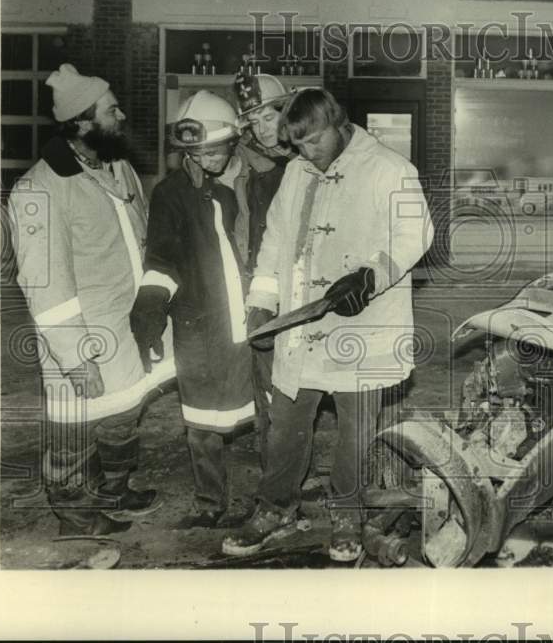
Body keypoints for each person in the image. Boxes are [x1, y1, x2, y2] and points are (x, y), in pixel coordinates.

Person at [223, 89, 434, 560]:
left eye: (314, 141)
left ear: (339, 122)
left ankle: (347, 513)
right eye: (297, 145)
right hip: (303, 326)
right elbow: (276, 239)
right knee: (286, 425)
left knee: (355, 431)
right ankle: (275, 508)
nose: (306, 153)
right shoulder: (298, 172)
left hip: (364, 324)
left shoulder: (389, 169)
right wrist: (262, 299)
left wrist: (371, 275)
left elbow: (415, 233)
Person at [9, 63, 164, 536]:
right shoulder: (38, 189)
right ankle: (75, 512)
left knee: (122, 416)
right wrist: (75, 357)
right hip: (81, 339)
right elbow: (44, 282)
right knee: (75, 430)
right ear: (81, 121)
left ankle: (113, 490)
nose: (120, 117)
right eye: (111, 110)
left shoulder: (121, 170)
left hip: (126, 327)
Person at [129, 90, 255, 528]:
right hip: (199, 324)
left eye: (223, 147)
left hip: (243, 318)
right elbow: (161, 260)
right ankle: (209, 502)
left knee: (251, 410)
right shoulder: (170, 195)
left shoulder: (232, 190)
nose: (218, 156)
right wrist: (150, 309)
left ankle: (272, 495)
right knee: (202, 419)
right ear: (192, 152)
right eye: (208, 150)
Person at [231, 72, 293, 467]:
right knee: (267, 380)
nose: (262, 129)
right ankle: (275, 469)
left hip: (302, 285)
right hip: (260, 282)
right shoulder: (246, 166)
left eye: (268, 118)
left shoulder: (306, 160)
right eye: (253, 122)